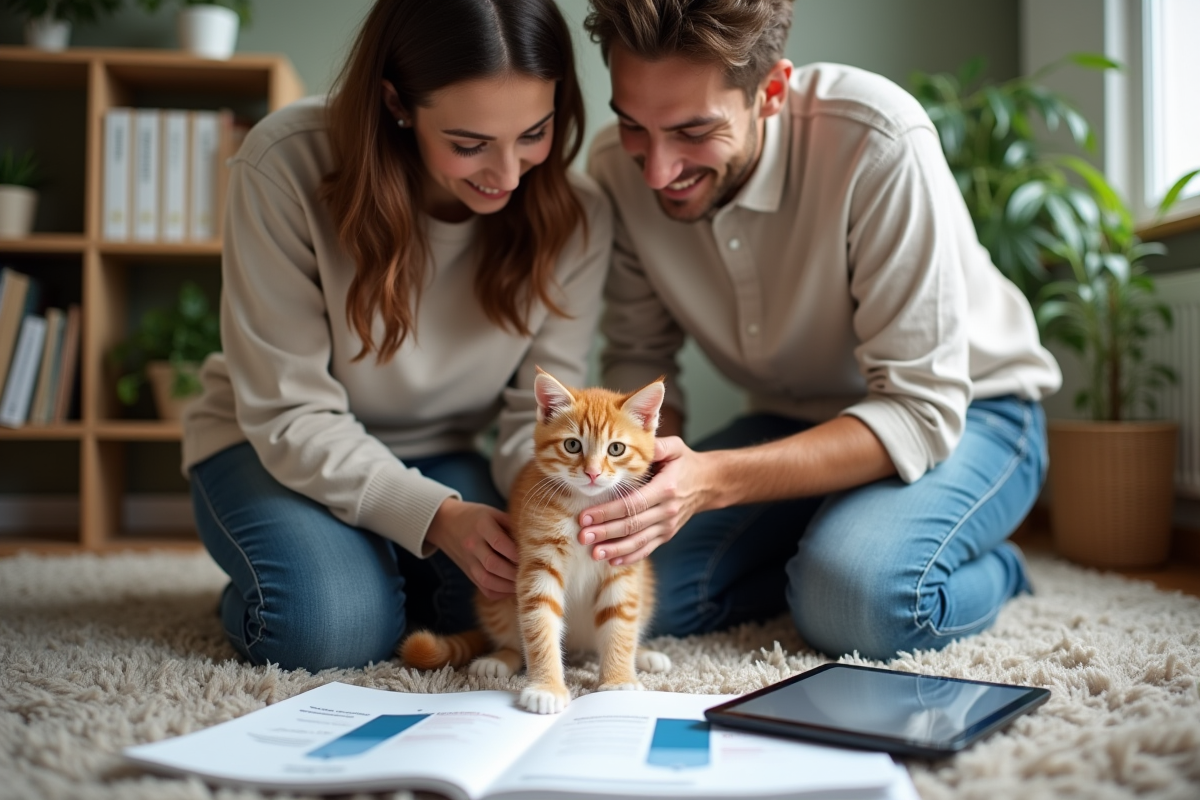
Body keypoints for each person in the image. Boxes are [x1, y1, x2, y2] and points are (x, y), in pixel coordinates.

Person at [577, 0, 1062, 660]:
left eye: (693, 131)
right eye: (632, 124)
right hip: (791, 421)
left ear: (771, 92)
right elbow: (640, 363)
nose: (658, 170)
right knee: (628, 596)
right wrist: (636, 495)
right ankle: (831, 544)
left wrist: (712, 480)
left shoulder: (880, 139)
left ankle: (991, 570)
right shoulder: (614, 170)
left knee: (858, 606)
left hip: (973, 413)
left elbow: (920, 410)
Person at [182, 0, 611, 672]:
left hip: (442, 452)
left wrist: (571, 505)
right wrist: (436, 518)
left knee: (511, 605)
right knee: (327, 628)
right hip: (267, 443)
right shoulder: (284, 162)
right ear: (396, 103)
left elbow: (530, 422)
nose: (507, 174)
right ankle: (303, 579)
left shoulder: (577, 217)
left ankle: (371, 566)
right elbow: (287, 410)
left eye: (535, 132)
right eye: (469, 144)